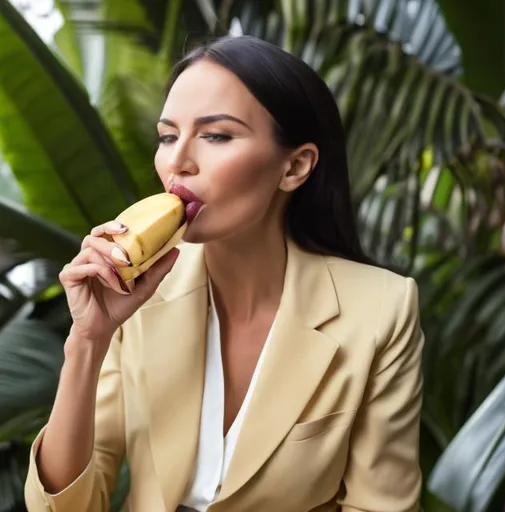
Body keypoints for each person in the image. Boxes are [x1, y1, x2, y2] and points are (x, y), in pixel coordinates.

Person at [24, 35, 424, 512]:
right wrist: (88, 342)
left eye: (216, 136)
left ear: (295, 166)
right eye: (168, 136)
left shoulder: (381, 309)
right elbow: (68, 507)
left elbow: (380, 506)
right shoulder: (135, 292)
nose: (178, 162)